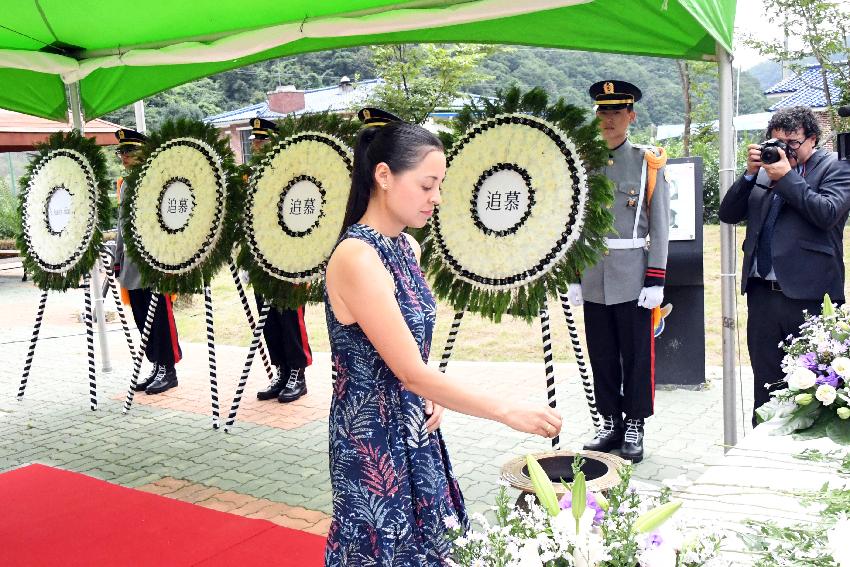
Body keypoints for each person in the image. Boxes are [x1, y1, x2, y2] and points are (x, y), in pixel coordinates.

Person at [323, 107, 563, 564]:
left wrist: (430, 391)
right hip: (372, 441)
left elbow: (409, 353)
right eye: (427, 185)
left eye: (440, 186)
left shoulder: (404, 246)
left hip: (416, 424)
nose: (436, 198)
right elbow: (410, 372)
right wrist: (506, 410)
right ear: (384, 176)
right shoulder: (356, 256)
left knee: (433, 545)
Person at [718, 106, 850, 425]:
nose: (782, 150)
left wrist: (787, 178)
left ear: (812, 140)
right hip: (762, 293)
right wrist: (750, 175)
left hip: (811, 296)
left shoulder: (836, 168)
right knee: (767, 381)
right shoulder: (764, 170)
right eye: (775, 141)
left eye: (791, 142)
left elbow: (828, 213)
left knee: (815, 383)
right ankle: (761, 443)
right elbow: (728, 214)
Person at [567, 80, 670, 464]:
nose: (608, 118)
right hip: (594, 276)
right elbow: (573, 223)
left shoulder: (648, 162)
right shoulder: (582, 162)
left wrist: (656, 278)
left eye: (616, 111)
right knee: (603, 355)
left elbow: (660, 225)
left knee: (637, 356)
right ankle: (610, 420)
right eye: (602, 111)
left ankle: (635, 423)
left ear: (631, 116)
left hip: (634, 277)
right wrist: (574, 275)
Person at [244, 118, 314, 403]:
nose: (258, 146)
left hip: (289, 260)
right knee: (268, 318)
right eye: (256, 142)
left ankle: (298, 372)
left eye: (263, 141)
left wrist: (303, 262)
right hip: (262, 259)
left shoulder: (294, 175)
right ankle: (282, 370)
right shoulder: (253, 177)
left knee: (290, 317)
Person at [113, 128, 182, 394]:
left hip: (155, 262)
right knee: (142, 317)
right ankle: (155, 364)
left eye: (130, 151)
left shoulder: (159, 181)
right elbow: (121, 226)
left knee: (160, 317)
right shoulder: (126, 183)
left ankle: (168, 369)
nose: (124, 157)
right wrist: (118, 258)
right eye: (122, 152)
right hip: (132, 263)